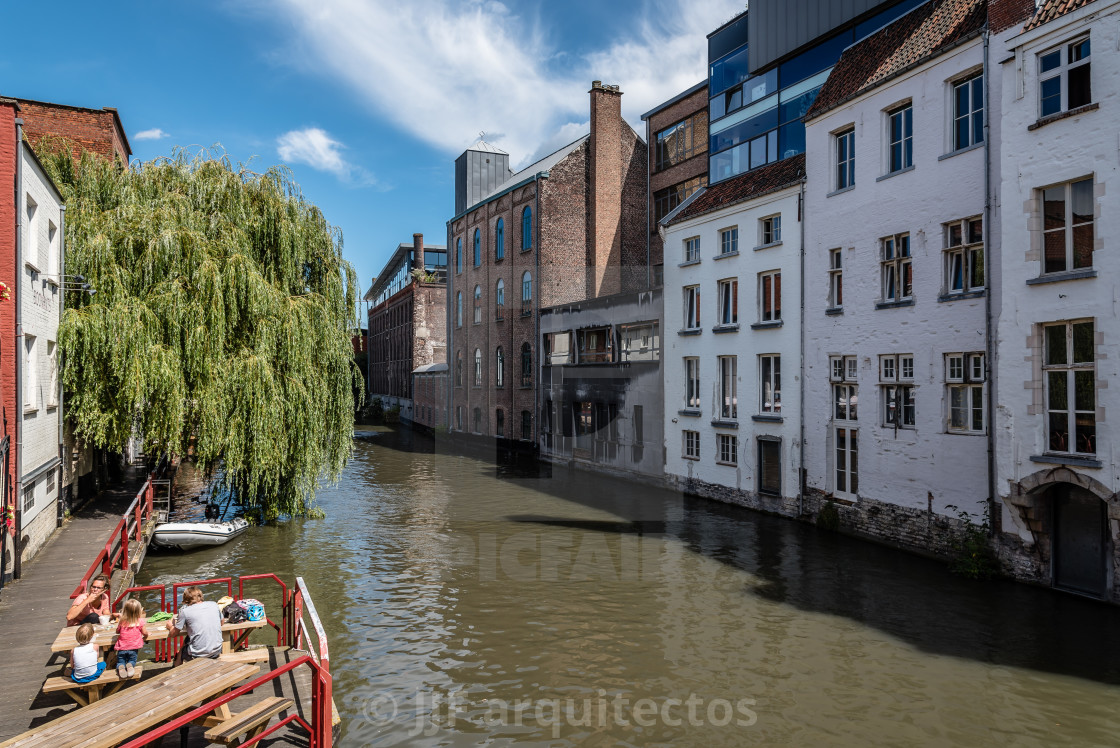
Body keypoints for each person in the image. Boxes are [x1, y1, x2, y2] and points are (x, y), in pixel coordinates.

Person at [169, 586, 223, 663]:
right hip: (217, 650)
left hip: (197, 654)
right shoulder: (214, 605)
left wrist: (170, 626)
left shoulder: (185, 611)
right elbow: (222, 622)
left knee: (183, 648)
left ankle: (176, 668)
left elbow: (173, 634)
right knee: (188, 639)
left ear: (186, 599)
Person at [114, 598, 148, 678]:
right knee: (132, 660)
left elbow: (117, 631)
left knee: (120, 661)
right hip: (133, 647)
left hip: (122, 647)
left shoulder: (122, 621)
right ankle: (130, 666)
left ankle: (121, 667)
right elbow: (145, 632)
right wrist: (146, 635)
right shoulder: (140, 621)